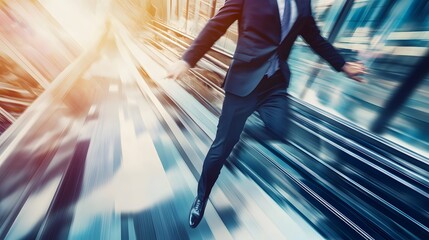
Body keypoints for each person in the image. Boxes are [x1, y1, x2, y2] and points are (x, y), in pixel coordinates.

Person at [166, 0, 365, 228]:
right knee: (221, 149)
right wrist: (187, 60)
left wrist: (343, 65)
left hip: (275, 84)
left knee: (279, 130)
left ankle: (246, 135)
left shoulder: (302, 3)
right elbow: (217, 24)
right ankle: (201, 197)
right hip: (244, 82)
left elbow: (315, 38)